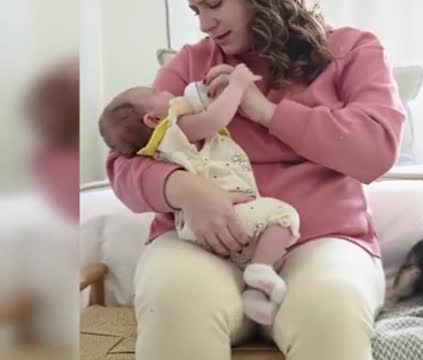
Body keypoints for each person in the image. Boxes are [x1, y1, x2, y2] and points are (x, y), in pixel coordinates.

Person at [105, 0, 405, 359]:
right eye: (194, 10)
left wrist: (265, 111)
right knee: (173, 299)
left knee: (330, 307)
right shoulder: (189, 64)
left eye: (213, 4)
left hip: (321, 240)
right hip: (205, 245)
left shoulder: (354, 50)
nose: (204, 23)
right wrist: (184, 189)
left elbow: (376, 150)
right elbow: (125, 160)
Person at [99, 64, 300, 325]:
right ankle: (260, 270)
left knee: (265, 253)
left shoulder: (157, 147)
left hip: (196, 228)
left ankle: (255, 295)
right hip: (227, 214)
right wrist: (238, 85)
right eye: (157, 93)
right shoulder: (173, 130)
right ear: (152, 120)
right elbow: (215, 119)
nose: (167, 93)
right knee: (283, 218)